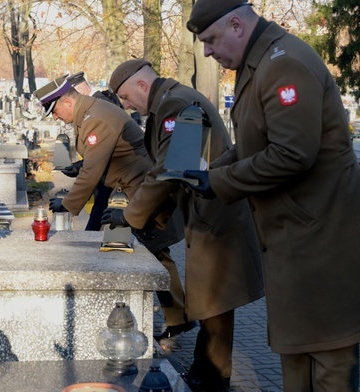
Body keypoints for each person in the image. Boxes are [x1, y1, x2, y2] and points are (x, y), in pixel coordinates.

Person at [183, 1, 360, 391]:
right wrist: (209, 173)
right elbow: (254, 144)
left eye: (211, 40)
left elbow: (292, 154)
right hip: (300, 238)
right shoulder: (260, 61)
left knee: (329, 358)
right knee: (298, 354)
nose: (209, 51)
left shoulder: (283, 63)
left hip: (326, 239)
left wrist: (221, 182)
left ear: (235, 24)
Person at [105, 59, 264, 392]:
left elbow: (171, 167)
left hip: (215, 214)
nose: (127, 105)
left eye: (126, 96)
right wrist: (149, 218)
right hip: (209, 213)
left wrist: (132, 216)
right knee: (212, 300)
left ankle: (211, 376)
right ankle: (208, 371)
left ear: (142, 86)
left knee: (216, 300)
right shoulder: (171, 101)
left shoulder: (175, 104)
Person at [33, 75, 194, 343]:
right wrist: (79, 167)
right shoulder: (89, 112)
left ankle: (177, 317)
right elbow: (102, 157)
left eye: (55, 111)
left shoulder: (95, 117)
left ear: (67, 100)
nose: (56, 118)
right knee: (155, 253)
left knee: (155, 252)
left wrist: (69, 204)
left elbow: (94, 169)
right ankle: (179, 316)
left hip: (142, 190)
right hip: (135, 188)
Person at [61, 71, 119, 231]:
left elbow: (103, 149)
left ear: (78, 91)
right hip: (105, 171)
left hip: (111, 173)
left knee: (99, 215)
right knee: (99, 213)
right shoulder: (98, 102)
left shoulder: (100, 104)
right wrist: (79, 166)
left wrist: (68, 203)